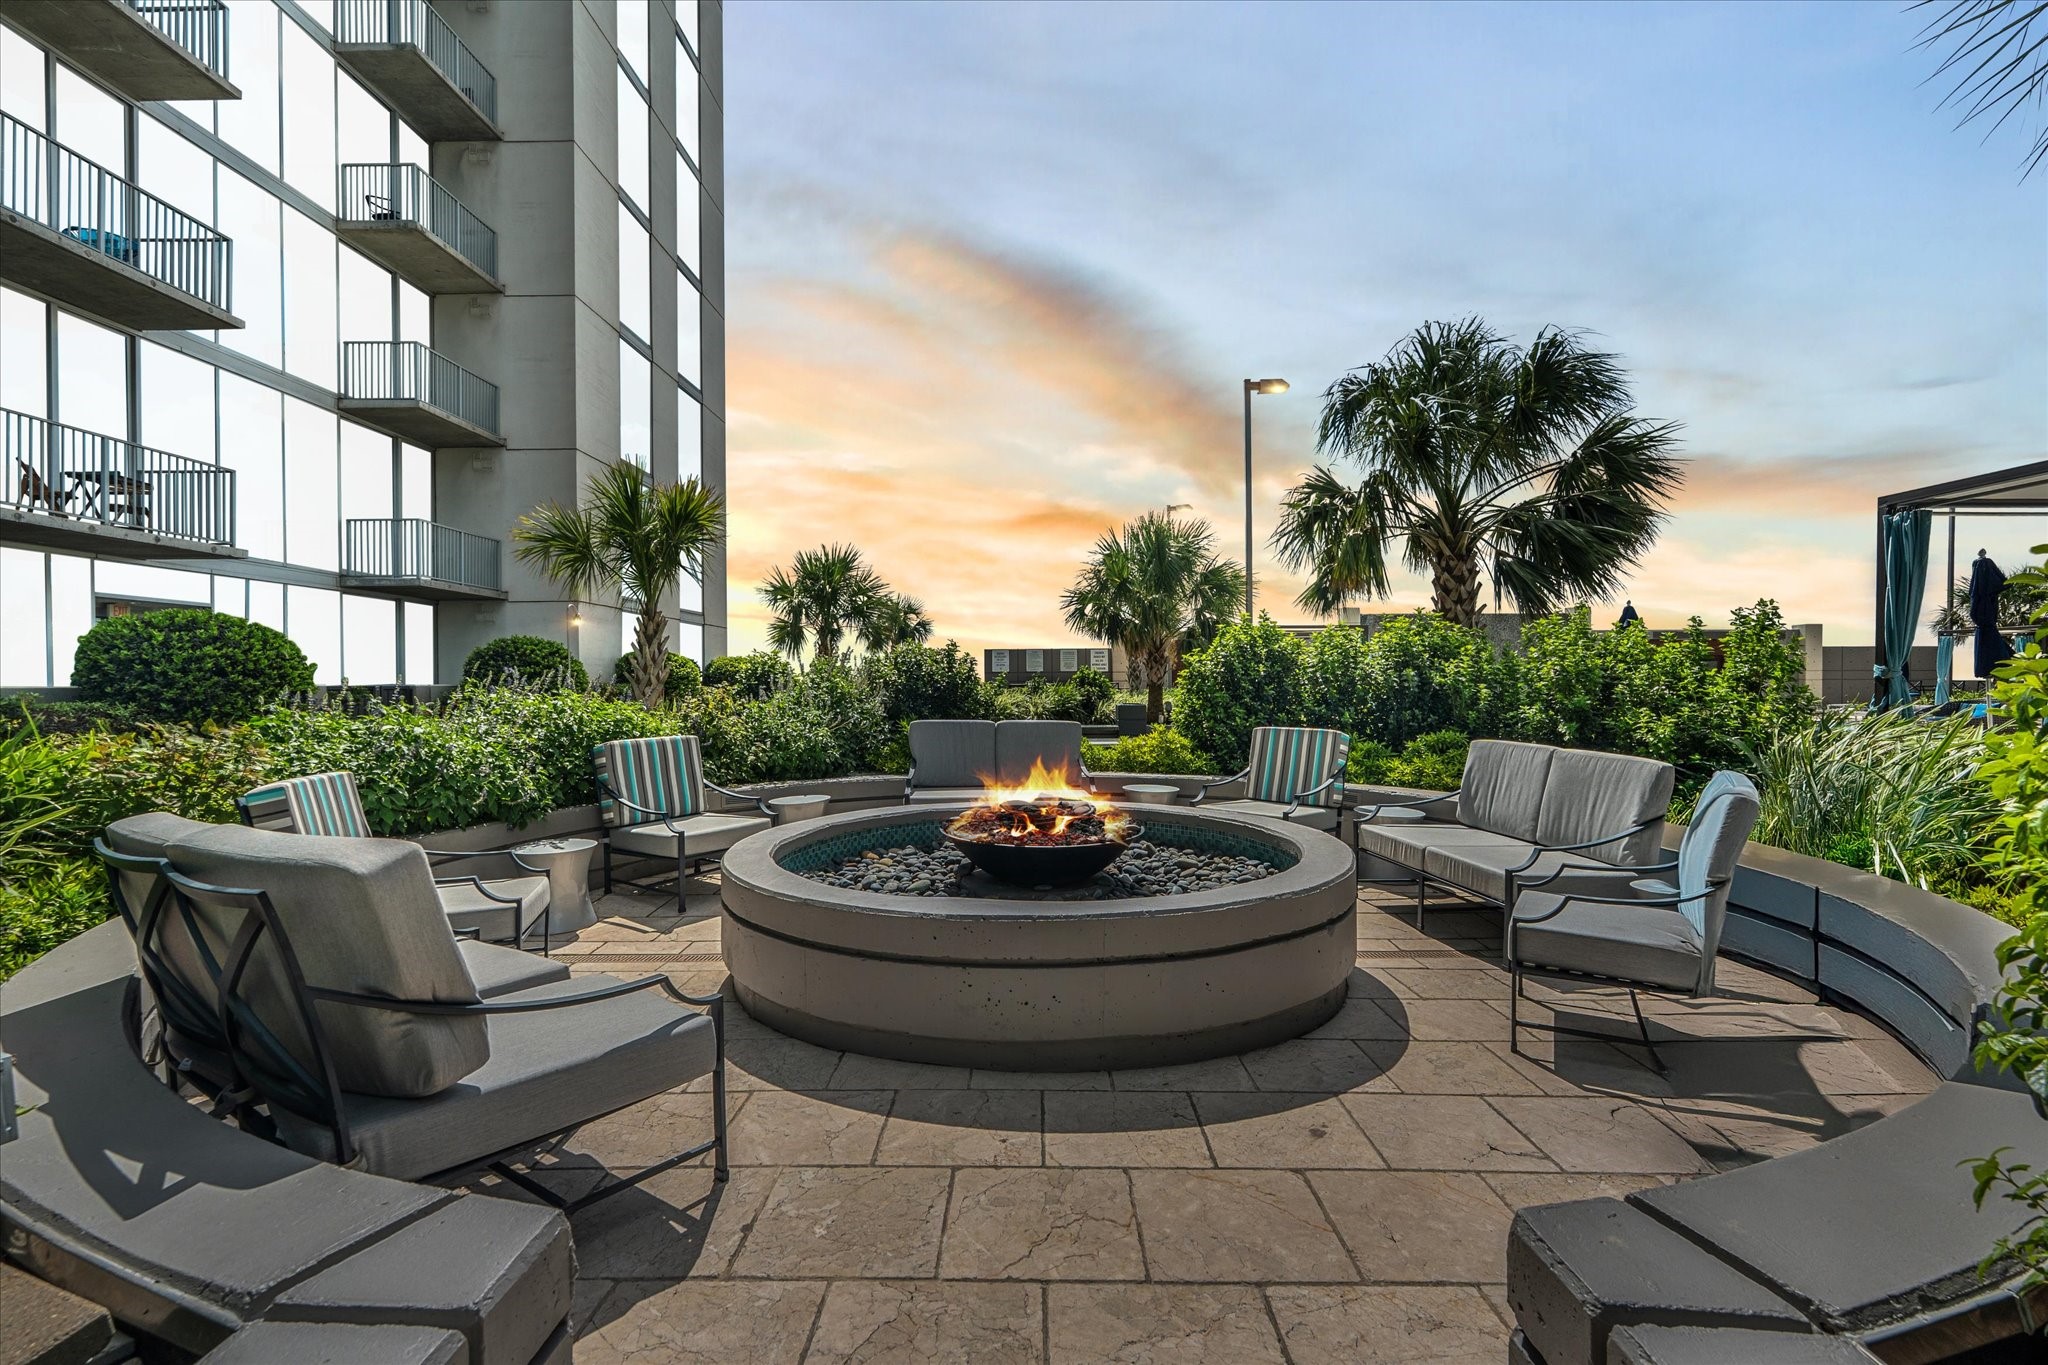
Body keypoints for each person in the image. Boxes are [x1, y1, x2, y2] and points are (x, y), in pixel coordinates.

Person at [1969, 550, 2014, 678]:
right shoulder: (1986, 597)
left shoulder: (1979, 601)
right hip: (1987, 627)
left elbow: (1974, 613)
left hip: (1986, 628)